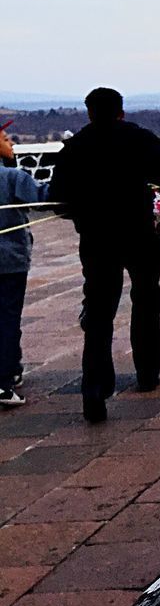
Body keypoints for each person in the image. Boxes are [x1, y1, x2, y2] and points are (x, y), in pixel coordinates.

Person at [48, 88, 160, 423]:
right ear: (121, 111)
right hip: (139, 233)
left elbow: (58, 199)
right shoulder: (138, 138)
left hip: (96, 239)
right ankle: (148, 371)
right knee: (147, 297)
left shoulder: (76, 146)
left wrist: (82, 212)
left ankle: (94, 388)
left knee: (98, 312)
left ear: (90, 113)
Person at [0, 127, 48, 407]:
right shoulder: (12, 177)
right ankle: (3, 383)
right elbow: (44, 198)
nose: (12, 143)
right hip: (9, 262)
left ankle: (12, 369)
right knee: (7, 319)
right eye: (5, 140)